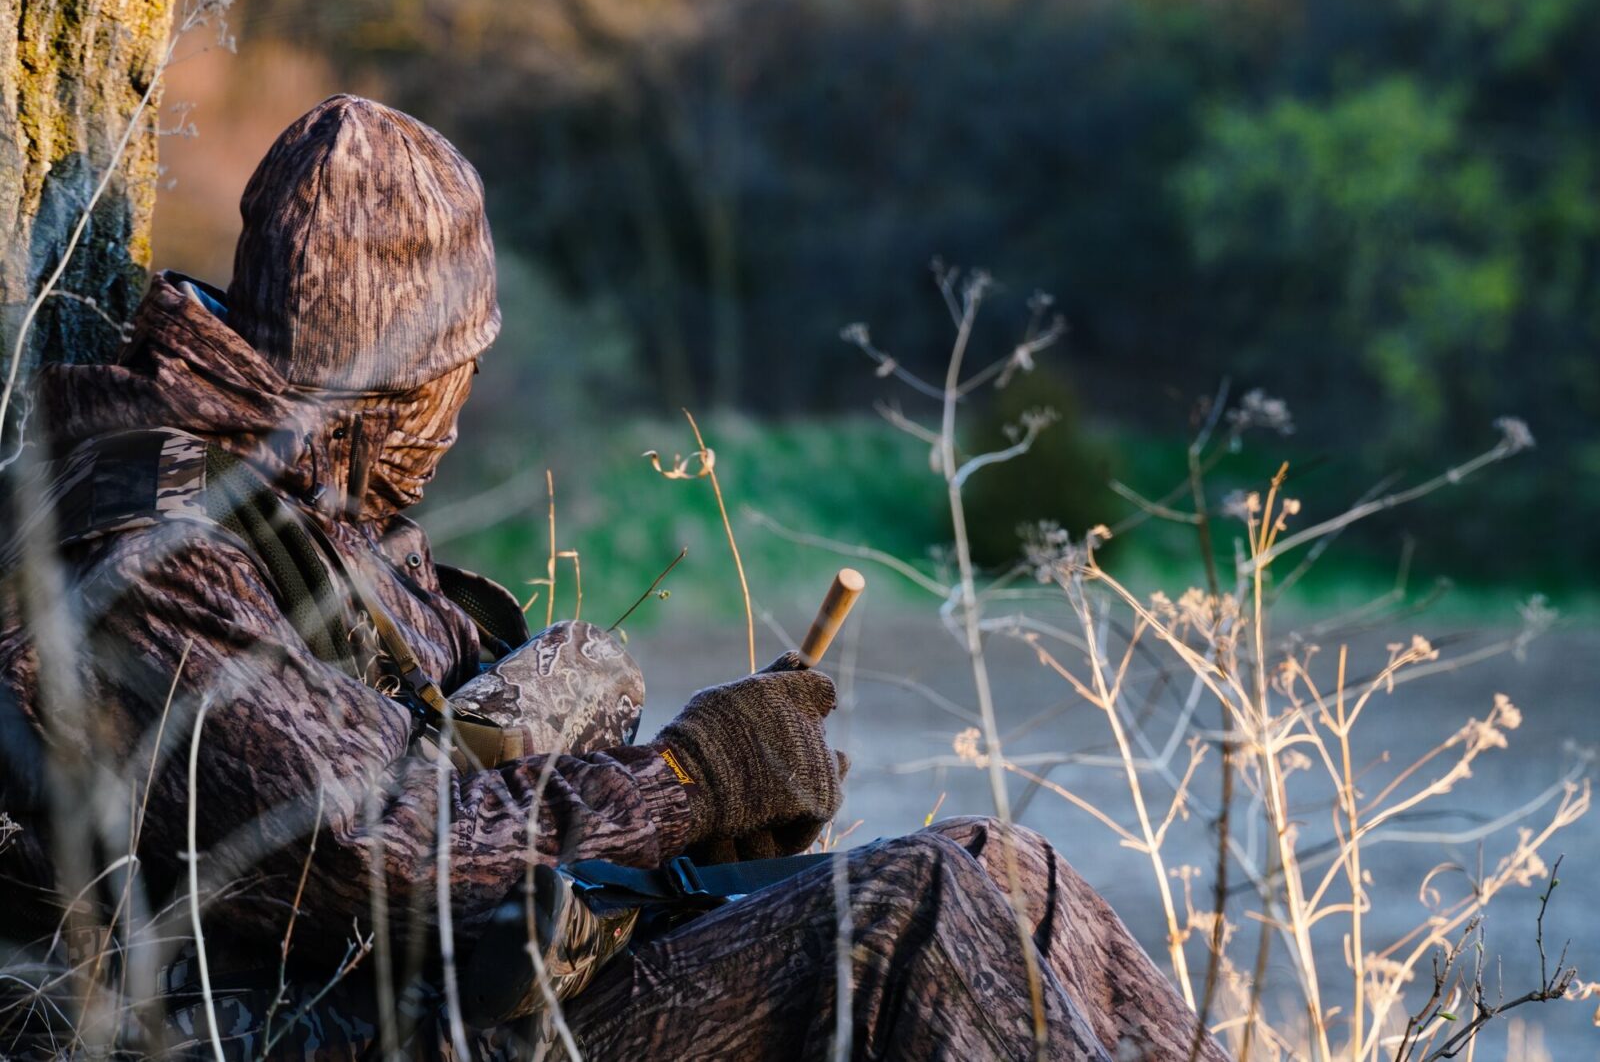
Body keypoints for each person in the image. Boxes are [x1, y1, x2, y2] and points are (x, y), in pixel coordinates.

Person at [0, 95, 1226, 1061]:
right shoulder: (155, 554)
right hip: (362, 1032)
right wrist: (689, 779)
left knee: (1011, 870)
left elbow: (468, 780)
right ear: (397, 380)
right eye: (452, 378)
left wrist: (724, 813)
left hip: (501, 987)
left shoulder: (326, 508)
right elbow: (382, 845)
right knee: (902, 918)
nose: (460, 414)